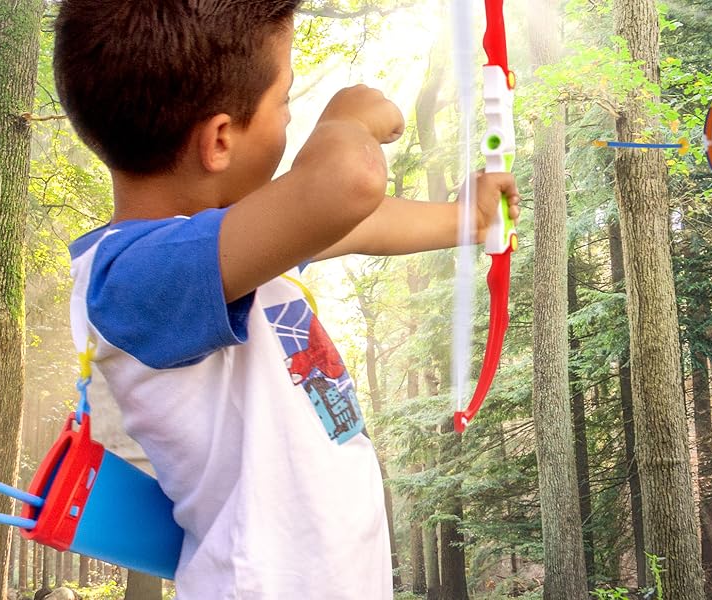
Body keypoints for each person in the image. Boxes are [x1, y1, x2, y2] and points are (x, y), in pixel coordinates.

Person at [54, 1, 520, 597]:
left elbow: (359, 221)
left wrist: (468, 220)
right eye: (286, 103)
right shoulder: (137, 276)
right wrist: (346, 123)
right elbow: (345, 188)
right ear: (220, 139)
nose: (290, 119)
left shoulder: (223, 243)